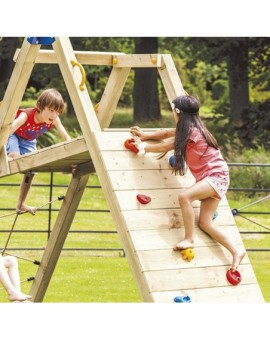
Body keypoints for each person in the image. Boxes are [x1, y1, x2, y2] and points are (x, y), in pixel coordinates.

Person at [128, 94, 246, 272]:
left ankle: (189, 238)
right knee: (205, 223)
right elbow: (167, 133)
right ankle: (236, 251)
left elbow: (164, 146)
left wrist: (142, 147)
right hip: (218, 178)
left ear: (177, 112)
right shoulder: (192, 127)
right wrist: (145, 136)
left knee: (184, 197)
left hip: (216, 177)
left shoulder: (191, 132)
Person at [6, 88, 71, 215]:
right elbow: (8, 131)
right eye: (51, 110)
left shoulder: (54, 120)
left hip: (29, 141)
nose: (54, 115)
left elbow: (66, 138)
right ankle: (8, 157)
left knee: (32, 169)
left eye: (57, 112)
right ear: (39, 106)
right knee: (15, 157)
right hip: (13, 135)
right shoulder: (26, 116)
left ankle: (20, 204)